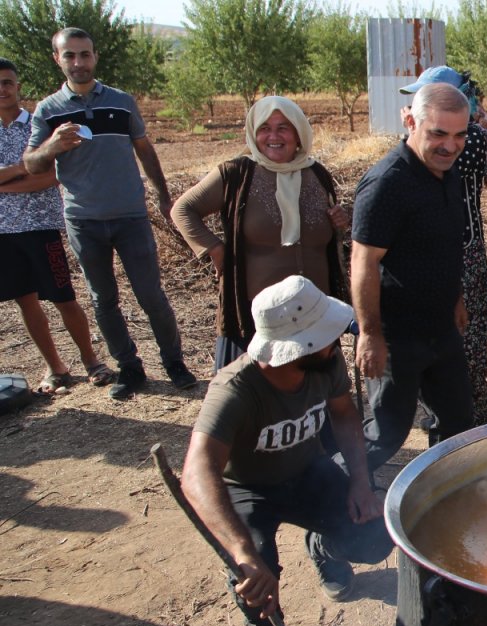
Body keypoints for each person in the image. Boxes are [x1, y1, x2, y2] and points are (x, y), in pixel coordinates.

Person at [182, 275, 391, 626]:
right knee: (256, 576)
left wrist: (360, 481)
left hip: (307, 471)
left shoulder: (325, 362)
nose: (335, 343)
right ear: (300, 347)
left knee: (374, 536)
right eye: (325, 337)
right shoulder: (234, 392)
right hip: (248, 489)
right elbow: (197, 472)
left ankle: (323, 549)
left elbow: (343, 414)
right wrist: (242, 550)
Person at [24, 27, 196, 400]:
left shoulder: (121, 102)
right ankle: (129, 368)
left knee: (151, 295)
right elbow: (33, 164)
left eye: (84, 54)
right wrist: (52, 146)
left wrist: (164, 198)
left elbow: (145, 151)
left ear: (95, 56)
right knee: (104, 300)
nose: (78, 62)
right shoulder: (49, 111)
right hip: (83, 220)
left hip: (130, 217)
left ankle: (175, 363)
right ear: (58, 59)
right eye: (69, 55)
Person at [172, 96, 350, 371]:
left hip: (314, 317)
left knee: (316, 400)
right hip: (258, 322)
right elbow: (183, 209)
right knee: (258, 402)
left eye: (283, 128)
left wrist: (339, 223)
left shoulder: (316, 174)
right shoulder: (236, 175)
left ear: (299, 133)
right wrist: (215, 249)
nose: (274, 136)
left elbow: (327, 241)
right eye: (265, 128)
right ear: (254, 133)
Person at [352, 83, 474, 469]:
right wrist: (370, 335)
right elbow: (363, 263)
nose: (450, 146)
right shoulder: (387, 183)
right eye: (438, 133)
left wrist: (454, 298)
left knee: (457, 423)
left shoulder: (447, 174)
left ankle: (444, 497)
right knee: (386, 433)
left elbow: (444, 244)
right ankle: (333, 504)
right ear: (409, 121)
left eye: (459, 135)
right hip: (396, 335)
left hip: (440, 330)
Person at [0, 57, 111, 395]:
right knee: (25, 301)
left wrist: (10, 176)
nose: (2, 89)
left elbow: (50, 176)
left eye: (7, 82)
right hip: (3, 233)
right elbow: (32, 171)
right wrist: (24, 169)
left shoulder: (38, 124)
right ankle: (56, 368)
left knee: (64, 297)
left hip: (42, 227)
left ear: (18, 86)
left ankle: (92, 362)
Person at [398, 67, 487, 397]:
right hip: (459, 246)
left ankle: (461, 398)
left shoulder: (462, 142)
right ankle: (460, 397)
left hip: (460, 246)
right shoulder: (473, 139)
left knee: (465, 325)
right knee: (465, 325)